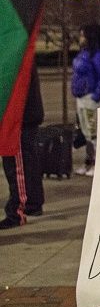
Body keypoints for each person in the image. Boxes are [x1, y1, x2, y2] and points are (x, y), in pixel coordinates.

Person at [0, 64, 45, 229]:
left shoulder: (17, 55)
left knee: (17, 166)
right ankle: (33, 204)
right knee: (28, 163)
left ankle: (16, 211)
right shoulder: (23, 52)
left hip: (19, 118)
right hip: (25, 116)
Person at [71, 23, 100, 177]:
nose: (81, 38)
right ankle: (88, 163)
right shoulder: (86, 53)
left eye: (83, 35)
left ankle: (96, 164)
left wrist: (96, 96)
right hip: (82, 97)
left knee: (93, 132)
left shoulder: (98, 55)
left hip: (90, 97)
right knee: (86, 132)